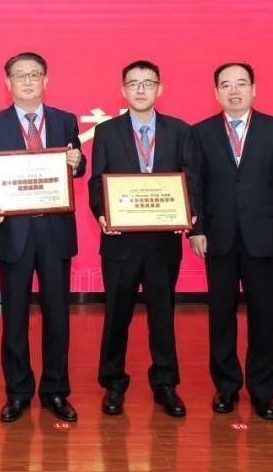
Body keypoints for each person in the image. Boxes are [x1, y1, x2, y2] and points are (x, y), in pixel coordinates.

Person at [0, 51, 85, 423]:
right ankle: (17, 392)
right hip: (12, 232)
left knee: (57, 317)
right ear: (8, 83)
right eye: (20, 75)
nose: (28, 81)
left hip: (54, 232)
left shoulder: (65, 120)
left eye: (35, 75)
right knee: (14, 318)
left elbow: (77, 167)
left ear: (46, 80)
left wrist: (78, 163)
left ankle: (55, 391)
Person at [187, 62, 273, 421]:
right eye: (226, 85)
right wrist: (196, 229)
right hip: (217, 237)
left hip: (263, 236)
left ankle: (263, 392)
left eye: (241, 84)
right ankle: (226, 387)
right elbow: (194, 185)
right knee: (221, 316)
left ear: (254, 89)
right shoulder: (201, 132)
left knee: (265, 316)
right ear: (216, 92)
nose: (233, 91)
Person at [88, 60, 193, 418]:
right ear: (123, 90)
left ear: (159, 89)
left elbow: (190, 179)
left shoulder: (180, 130)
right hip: (120, 242)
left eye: (148, 83)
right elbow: (97, 181)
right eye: (133, 83)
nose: (141, 89)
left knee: (162, 316)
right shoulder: (106, 131)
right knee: (116, 316)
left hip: (163, 242)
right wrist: (102, 214)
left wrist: (189, 212)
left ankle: (165, 384)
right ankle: (113, 383)